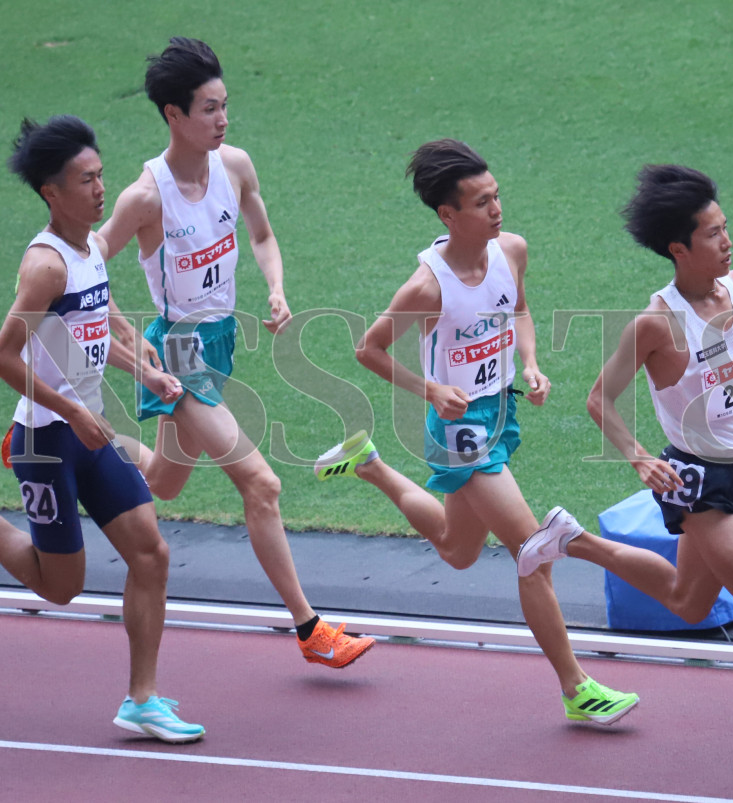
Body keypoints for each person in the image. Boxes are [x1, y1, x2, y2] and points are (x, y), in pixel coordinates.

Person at [516, 164, 733, 788]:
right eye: (712, 234)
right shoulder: (657, 324)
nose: (727, 241)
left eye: (725, 227)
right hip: (696, 482)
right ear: (678, 248)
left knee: (689, 600)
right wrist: (637, 456)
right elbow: (600, 399)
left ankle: (574, 540)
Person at [316, 138, 639, 725]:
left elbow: (519, 310)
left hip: (500, 410)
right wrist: (431, 390)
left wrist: (531, 363)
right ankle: (577, 689)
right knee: (533, 552)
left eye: (497, 196)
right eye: (482, 202)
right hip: (458, 427)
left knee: (458, 550)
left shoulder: (510, 250)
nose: (497, 209)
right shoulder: (428, 287)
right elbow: (369, 349)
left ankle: (369, 464)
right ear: (448, 214)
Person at [97, 37, 373, 669]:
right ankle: (311, 630)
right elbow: (88, 264)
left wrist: (276, 288)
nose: (222, 119)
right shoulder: (146, 197)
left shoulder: (236, 166)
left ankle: (62, 437)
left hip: (220, 345)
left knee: (164, 482)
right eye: (209, 109)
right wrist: (124, 332)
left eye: (225, 106)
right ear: (173, 114)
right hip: (179, 353)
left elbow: (263, 235)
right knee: (261, 483)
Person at [0, 115, 204, 742]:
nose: (99, 190)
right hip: (45, 442)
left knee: (151, 552)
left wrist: (144, 371)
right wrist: (70, 411)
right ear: (51, 193)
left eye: (100, 176)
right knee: (61, 588)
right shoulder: (46, 266)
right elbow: (5, 354)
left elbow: (83, 336)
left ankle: (142, 700)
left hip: (91, 434)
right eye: (85, 180)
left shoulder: (90, 248)